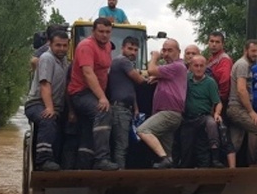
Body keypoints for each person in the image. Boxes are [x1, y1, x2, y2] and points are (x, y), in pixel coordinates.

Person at [67, 17, 118, 170]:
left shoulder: (108, 46)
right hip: (80, 93)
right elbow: (88, 73)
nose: (104, 35)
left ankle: (83, 167)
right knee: (103, 112)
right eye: (101, 31)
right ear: (93, 31)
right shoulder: (86, 46)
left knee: (90, 131)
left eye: (108, 32)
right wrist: (102, 97)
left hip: (94, 94)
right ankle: (102, 159)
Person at [136, 39, 187, 169]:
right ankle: (170, 179)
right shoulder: (169, 70)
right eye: (164, 50)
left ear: (179, 52)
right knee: (167, 151)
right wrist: (158, 77)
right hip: (167, 113)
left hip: (169, 112)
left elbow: (151, 69)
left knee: (143, 130)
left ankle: (164, 159)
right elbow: (156, 74)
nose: (166, 53)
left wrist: (154, 57)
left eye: (170, 50)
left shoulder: (177, 66)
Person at [227, 39, 257, 167]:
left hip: (234, 109)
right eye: (253, 51)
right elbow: (241, 90)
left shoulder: (246, 66)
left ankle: (226, 168)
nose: (255, 54)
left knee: (235, 143)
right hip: (238, 109)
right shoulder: (243, 65)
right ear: (245, 50)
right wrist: (251, 112)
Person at [24, 30, 70, 171]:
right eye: (58, 45)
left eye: (64, 45)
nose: (62, 49)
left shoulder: (64, 62)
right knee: (47, 119)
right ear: (50, 44)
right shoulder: (47, 58)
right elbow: (45, 84)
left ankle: (60, 162)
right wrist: (49, 108)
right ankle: (43, 160)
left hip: (56, 106)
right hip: (36, 103)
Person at [106, 36, 147, 169]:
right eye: (130, 48)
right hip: (119, 108)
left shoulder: (126, 64)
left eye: (136, 50)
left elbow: (130, 88)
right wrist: (152, 77)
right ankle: (119, 176)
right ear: (122, 48)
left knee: (124, 144)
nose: (133, 52)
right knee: (121, 145)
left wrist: (135, 108)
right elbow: (140, 80)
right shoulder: (123, 61)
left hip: (127, 109)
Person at [179, 55, 225, 168]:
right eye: (196, 65)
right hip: (187, 117)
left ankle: (215, 157)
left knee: (212, 124)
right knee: (185, 147)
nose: (199, 68)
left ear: (205, 67)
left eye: (201, 66)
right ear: (190, 67)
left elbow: (218, 102)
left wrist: (217, 113)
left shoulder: (210, 82)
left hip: (203, 117)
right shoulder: (185, 79)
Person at [206, 31, 236, 167]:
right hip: (214, 100)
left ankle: (231, 167)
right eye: (211, 41)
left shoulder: (224, 59)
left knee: (223, 133)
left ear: (222, 44)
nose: (213, 44)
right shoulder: (210, 60)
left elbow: (224, 82)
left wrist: (218, 101)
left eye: (217, 42)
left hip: (221, 101)